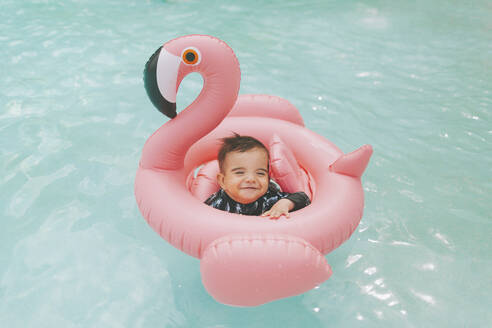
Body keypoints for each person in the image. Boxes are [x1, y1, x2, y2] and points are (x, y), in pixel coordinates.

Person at [204, 133, 310, 219]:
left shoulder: (270, 198)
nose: (251, 179)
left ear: (268, 179)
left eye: (260, 173)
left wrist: (285, 203)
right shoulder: (217, 204)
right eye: (240, 173)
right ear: (222, 181)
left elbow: (303, 198)